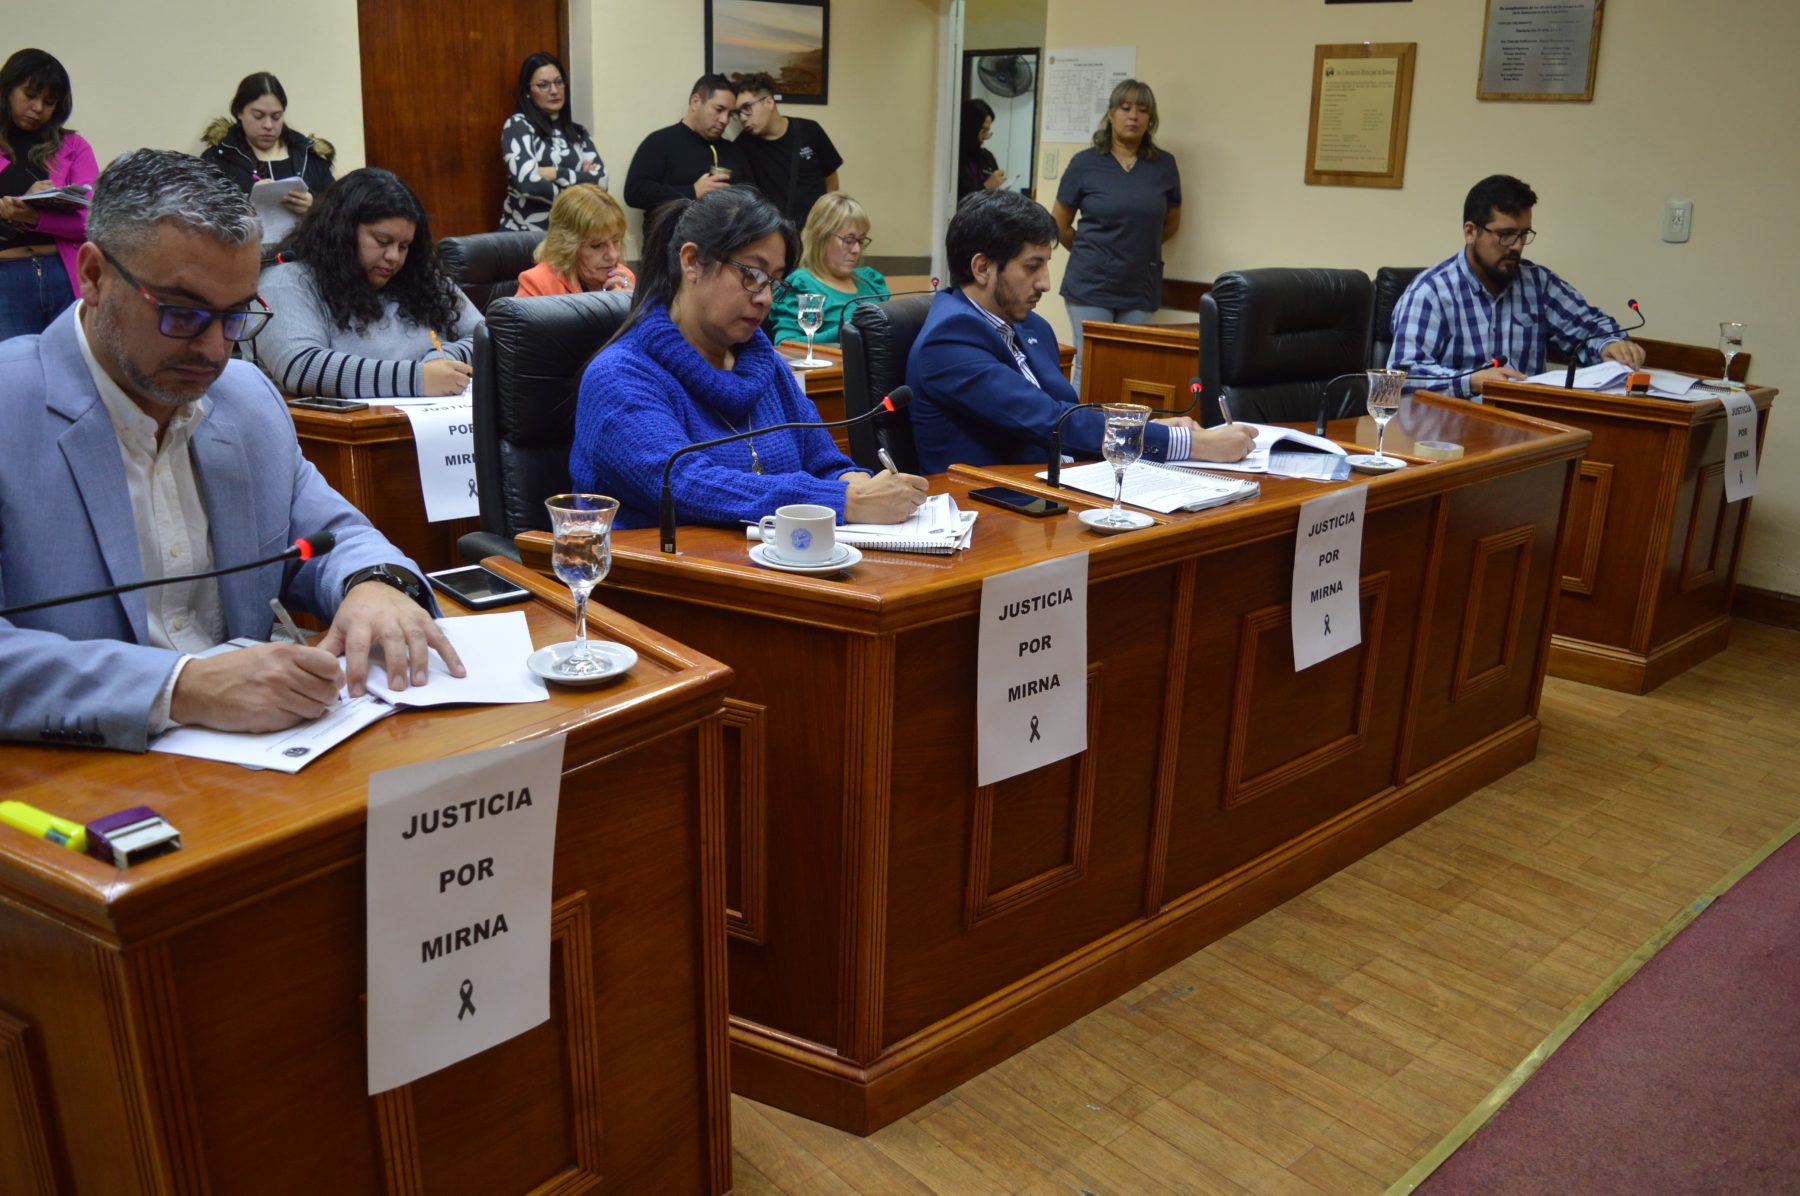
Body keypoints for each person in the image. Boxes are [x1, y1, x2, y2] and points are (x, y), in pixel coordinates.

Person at [0, 149, 462, 751]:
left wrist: (373, 584)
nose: (217, 351)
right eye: (183, 313)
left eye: (236, 315)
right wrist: (179, 687)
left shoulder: (246, 399)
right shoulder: (11, 406)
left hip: (264, 760)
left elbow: (335, 535)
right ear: (93, 276)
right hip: (73, 773)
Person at [570, 187, 926, 530]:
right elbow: (683, 483)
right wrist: (843, 499)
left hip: (783, 559)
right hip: (661, 567)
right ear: (692, 262)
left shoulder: (767, 366)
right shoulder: (620, 375)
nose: (765, 298)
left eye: (775, 282)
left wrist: (860, 485)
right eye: (753, 275)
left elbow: (826, 464)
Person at [907, 189, 1254, 477]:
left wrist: (1152, 427)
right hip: (993, 506)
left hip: (1061, 485)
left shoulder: (1031, 326)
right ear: (982, 267)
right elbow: (1050, 421)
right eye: (1032, 267)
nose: (1045, 283)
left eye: (1046, 265)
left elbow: (1068, 412)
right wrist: (1193, 444)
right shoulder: (948, 339)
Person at [1388, 174, 1645, 398]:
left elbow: (1590, 327)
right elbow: (1401, 377)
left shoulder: (1538, 284)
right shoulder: (1431, 292)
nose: (1517, 246)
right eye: (1506, 235)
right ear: (1470, 232)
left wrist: (1610, 345)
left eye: (1524, 234)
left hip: (1525, 424)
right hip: (1451, 427)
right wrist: (1472, 381)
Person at [255, 168, 480, 398]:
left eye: (404, 246)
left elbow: (486, 335)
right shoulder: (286, 282)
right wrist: (417, 378)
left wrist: (445, 359)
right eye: (382, 241)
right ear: (342, 232)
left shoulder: (420, 274)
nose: (394, 256)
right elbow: (301, 367)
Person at [1051, 79, 1180, 383]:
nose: (1133, 116)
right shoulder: (1085, 163)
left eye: (1142, 110)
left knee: (1131, 369)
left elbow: (1171, 224)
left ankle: (1120, 421)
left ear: (1150, 119)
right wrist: (1090, 252)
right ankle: (1083, 417)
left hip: (1140, 283)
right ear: (1111, 115)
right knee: (1090, 366)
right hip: (1090, 283)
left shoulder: (1164, 165)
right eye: (1126, 108)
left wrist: (1136, 247)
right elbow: (1058, 224)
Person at [0, 49, 96, 341]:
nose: (38, 108)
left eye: (49, 102)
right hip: (6, 277)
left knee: (72, 361)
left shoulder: (74, 146)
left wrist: (35, 216)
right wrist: (12, 208)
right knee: (11, 365)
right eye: (30, 95)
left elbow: (94, 220)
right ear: (7, 90)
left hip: (64, 274)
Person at [199, 72, 336, 219]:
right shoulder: (218, 158)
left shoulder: (309, 155)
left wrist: (315, 205)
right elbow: (202, 215)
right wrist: (246, 202)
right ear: (239, 112)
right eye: (258, 116)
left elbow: (340, 210)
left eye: (276, 117)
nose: (268, 125)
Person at [500, 51, 605, 233]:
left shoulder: (578, 133)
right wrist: (580, 182)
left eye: (558, 82)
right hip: (525, 235)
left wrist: (555, 173)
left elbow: (601, 182)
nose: (554, 91)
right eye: (543, 85)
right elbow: (528, 184)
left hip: (570, 235)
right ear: (527, 91)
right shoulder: (518, 126)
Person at [767, 192, 886, 345]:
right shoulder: (801, 285)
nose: (856, 249)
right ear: (821, 237)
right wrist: (846, 330)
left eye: (861, 240)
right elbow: (785, 345)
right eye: (848, 240)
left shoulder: (870, 280)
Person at [728, 71, 841, 224]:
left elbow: (831, 180)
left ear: (769, 102)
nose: (742, 118)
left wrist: (825, 220)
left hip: (816, 231)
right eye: (738, 112)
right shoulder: (741, 147)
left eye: (747, 108)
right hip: (774, 233)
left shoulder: (810, 130)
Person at [621, 74, 744, 216]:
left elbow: (751, 196)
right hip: (672, 230)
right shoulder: (661, 141)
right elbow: (634, 192)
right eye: (719, 109)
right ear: (695, 102)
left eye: (730, 114)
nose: (725, 120)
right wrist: (692, 191)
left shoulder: (732, 150)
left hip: (725, 229)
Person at [515, 183, 635, 296]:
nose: (613, 255)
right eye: (597, 245)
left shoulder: (624, 279)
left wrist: (634, 303)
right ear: (567, 246)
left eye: (616, 241)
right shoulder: (537, 285)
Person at [956, 99, 1004, 201]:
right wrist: (987, 187)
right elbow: (960, 200)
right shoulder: (955, 159)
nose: (985, 136)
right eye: (983, 131)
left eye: (987, 131)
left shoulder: (987, 157)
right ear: (970, 128)